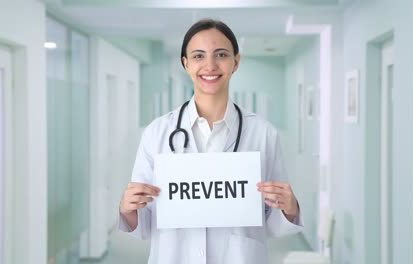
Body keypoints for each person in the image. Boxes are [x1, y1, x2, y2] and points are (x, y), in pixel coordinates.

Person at [119, 18, 303, 264]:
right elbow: (143, 223)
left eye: (221, 54)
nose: (210, 65)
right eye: (198, 56)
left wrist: (290, 208)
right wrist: (128, 209)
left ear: (235, 62)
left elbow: (273, 222)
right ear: (185, 63)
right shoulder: (157, 133)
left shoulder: (263, 133)